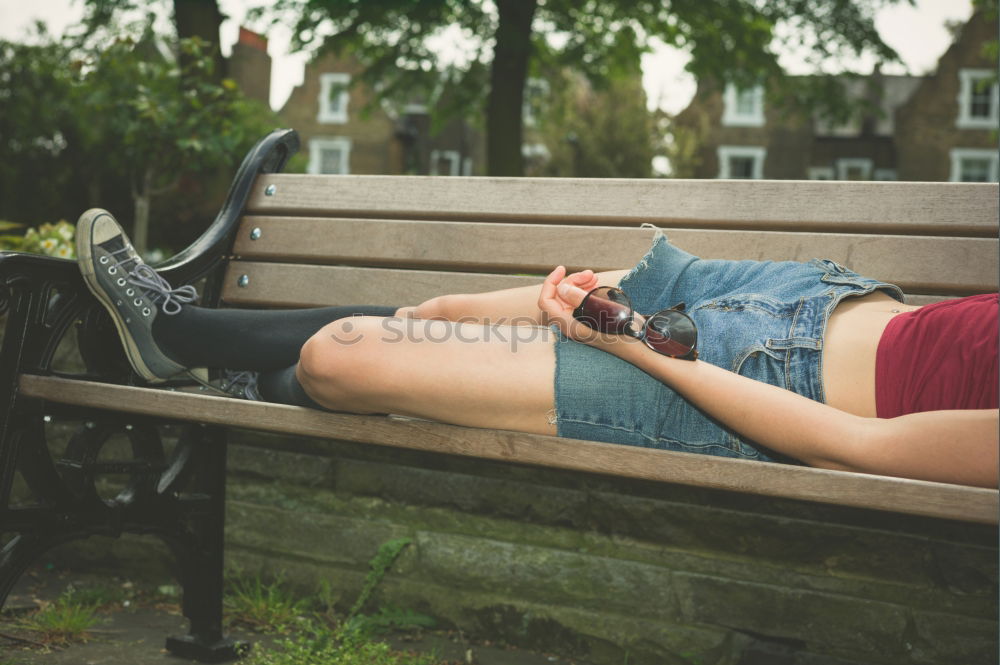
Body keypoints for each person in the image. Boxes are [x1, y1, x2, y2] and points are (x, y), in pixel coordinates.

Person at [74, 209, 999, 488]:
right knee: (444, 307)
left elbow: (860, 450)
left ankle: (187, 343)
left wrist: (639, 344)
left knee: (340, 361)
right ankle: (187, 340)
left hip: (750, 386)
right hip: (809, 296)